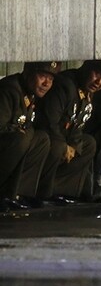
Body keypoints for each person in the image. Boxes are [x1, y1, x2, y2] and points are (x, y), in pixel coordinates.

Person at [35, 59, 101, 202]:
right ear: (87, 67)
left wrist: (74, 144)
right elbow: (49, 121)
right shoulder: (65, 85)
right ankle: (42, 193)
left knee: (88, 144)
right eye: (97, 74)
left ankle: (61, 190)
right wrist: (64, 144)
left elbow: (78, 123)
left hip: (64, 136)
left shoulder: (87, 90)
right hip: (47, 136)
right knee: (57, 147)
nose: (99, 82)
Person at [0, 61, 58, 209]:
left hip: (13, 142)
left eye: (51, 79)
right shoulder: (9, 89)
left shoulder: (29, 92)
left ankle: (20, 194)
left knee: (41, 139)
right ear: (28, 73)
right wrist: (22, 133)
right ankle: (4, 194)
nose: (46, 83)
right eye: (43, 76)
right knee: (22, 139)